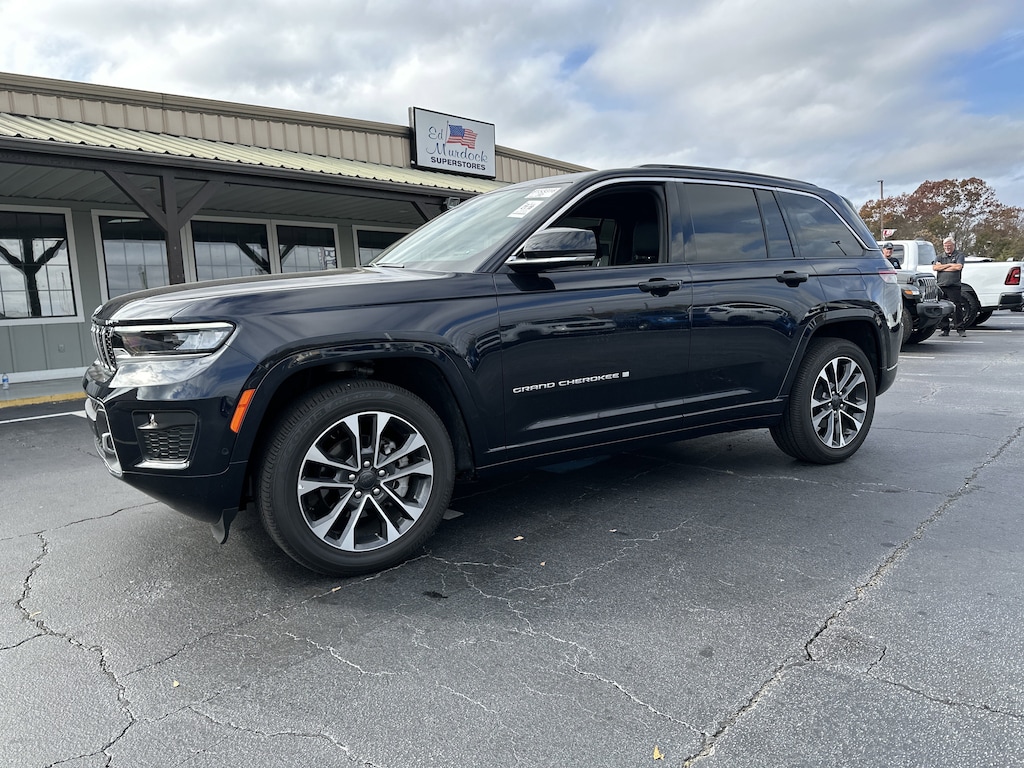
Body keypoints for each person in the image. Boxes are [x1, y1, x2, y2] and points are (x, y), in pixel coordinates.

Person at [933, 236, 967, 336]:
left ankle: (960, 328)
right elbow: (935, 267)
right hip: (941, 285)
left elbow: (958, 267)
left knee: (957, 307)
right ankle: (944, 329)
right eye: (945, 245)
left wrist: (942, 267)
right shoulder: (939, 256)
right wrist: (950, 265)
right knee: (942, 307)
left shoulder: (959, 255)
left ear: (953, 245)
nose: (947, 247)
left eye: (949, 245)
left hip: (954, 285)